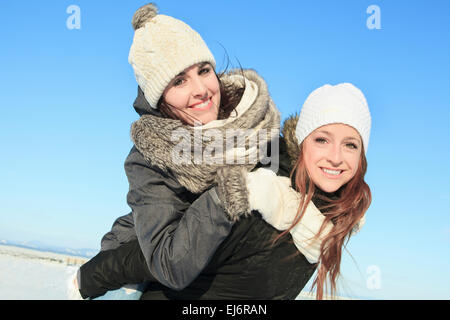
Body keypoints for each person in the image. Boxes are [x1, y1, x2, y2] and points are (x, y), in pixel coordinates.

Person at [70, 3, 331, 300]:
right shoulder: (149, 158)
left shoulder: (260, 129)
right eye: (179, 81)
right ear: (160, 98)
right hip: (133, 273)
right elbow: (170, 263)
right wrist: (230, 192)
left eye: (203, 70)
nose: (200, 89)